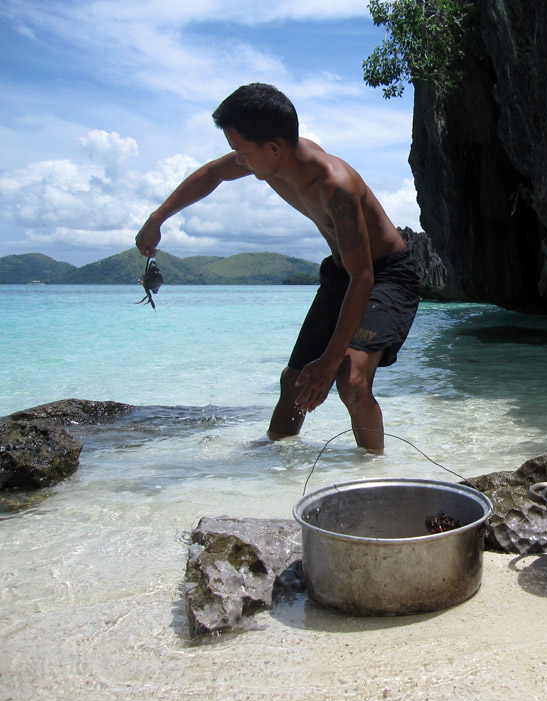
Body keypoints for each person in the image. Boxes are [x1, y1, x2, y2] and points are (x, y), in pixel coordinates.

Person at [135, 83, 420, 452]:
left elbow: (364, 278)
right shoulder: (274, 163)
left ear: (273, 148)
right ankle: (273, 465)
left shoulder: (335, 186)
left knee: (351, 382)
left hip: (385, 276)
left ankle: (374, 470)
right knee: (294, 381)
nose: (238, 160)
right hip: (343, 273)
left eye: (241, 151)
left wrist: (330, 360)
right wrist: (157, 218)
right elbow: (212, 174)